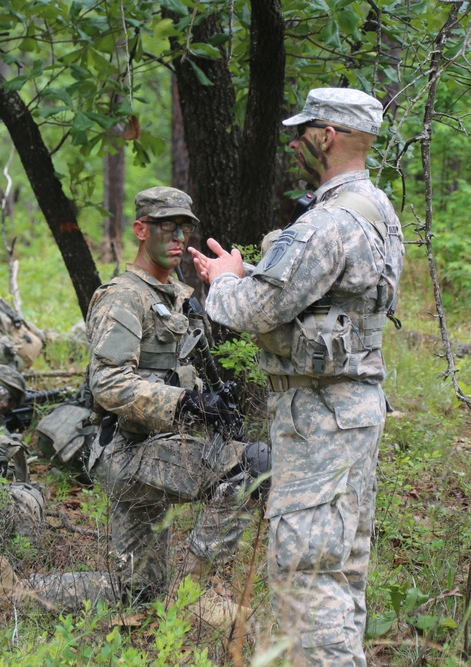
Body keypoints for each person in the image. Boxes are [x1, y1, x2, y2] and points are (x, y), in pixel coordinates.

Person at [189, 88, 404, 665]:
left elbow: (253, 311)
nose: (293, 141)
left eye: (303, 130)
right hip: (351, 413)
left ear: (327, 136)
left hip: (320, 419)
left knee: (306, 573)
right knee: (339, 568)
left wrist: (228, 280)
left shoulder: (328, 223)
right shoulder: (378, 211)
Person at [81, 186, 258, 616]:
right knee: (251, 467)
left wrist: (213, 405)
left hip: (161, 444)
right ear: (141, 230)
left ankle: (19, 587)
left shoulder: (179, 297)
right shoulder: (125, 296)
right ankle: (189, 599)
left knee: (136, 593)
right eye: (167, 227)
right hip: (125, 451)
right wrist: (188, 404)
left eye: (185, 228)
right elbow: (108, 383)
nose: (178, 237)